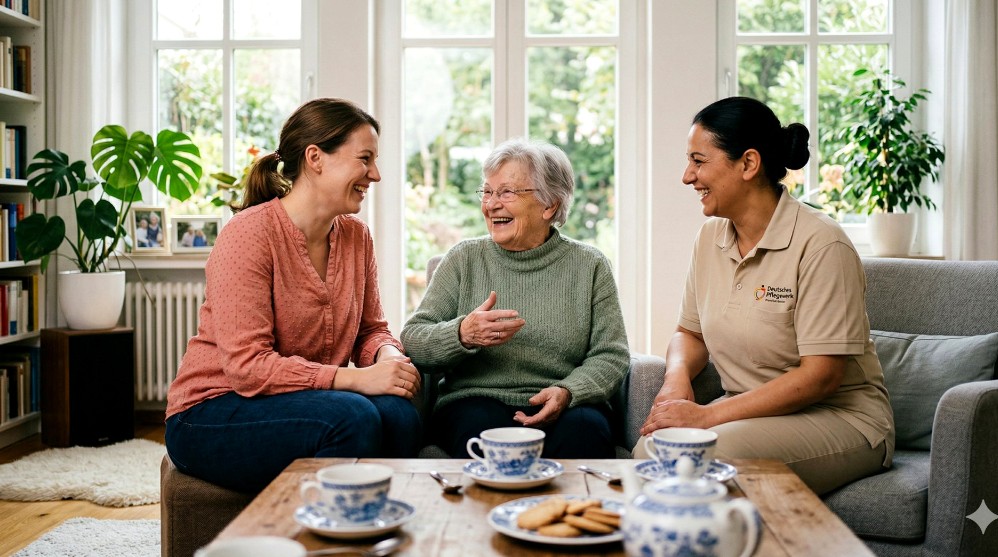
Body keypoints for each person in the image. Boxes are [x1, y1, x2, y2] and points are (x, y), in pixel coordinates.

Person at [636, 97, 894, 495]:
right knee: (647, 452)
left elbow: (821, 376)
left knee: (693, 460)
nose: (688, 176)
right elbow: (690, 333)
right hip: (748, 414)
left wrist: (707, 417)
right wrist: (675, 381)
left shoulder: (822, 244)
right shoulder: (710, 238)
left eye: (699, 161)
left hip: (841, 419)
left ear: (748, 164)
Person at [164, 98, 422, 492]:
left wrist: (388, 357)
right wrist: (356, 380)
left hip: (298, 400)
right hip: (211, 411)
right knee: (352, 417)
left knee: (399, 413)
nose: (376, 174)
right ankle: (326, 541)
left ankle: (384, 530)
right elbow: (249, 368)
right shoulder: (249, 234)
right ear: (315, 158)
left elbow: (372, 329)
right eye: (364, 159)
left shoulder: (356, 236)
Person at [400, 138, 630, 459]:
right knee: (488, 439)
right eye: (487, 192)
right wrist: (462, 334)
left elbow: (611, 354)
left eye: (506, 192)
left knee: (585, 435)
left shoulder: (589, 265)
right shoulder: (463, 260)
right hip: (476, 400)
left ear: (549, 205)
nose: (491, 204)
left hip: (565, 403)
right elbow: (413, 339)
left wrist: (568, 391)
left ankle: (567, 511)